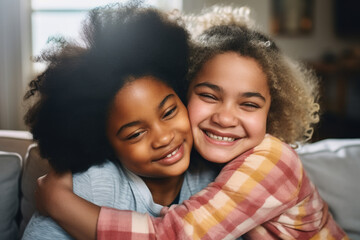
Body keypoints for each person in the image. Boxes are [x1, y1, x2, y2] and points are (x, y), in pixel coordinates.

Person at [34, 5, 348, 240]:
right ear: (186, 92)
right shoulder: (201, 163)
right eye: (210, 96)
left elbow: (172, 235)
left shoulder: (272, 160)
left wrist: (60, 202)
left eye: (249, 104)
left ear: (272, 111)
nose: (225, 118)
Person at [21, 3, 219, 240]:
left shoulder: (217, 176)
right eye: (136, 134)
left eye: (168, 112)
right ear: (104, 143)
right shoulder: (89, 187)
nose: (164, 137)